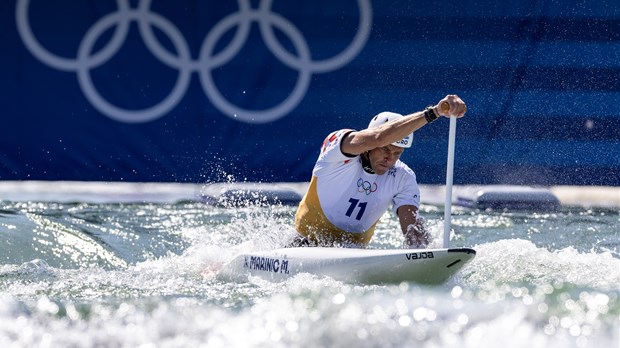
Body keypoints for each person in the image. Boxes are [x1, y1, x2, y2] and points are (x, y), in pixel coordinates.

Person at [292, 94, 467, 248]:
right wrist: (434, 112)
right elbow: (379, 137)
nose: (390, 158)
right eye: (385, 149)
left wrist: (425, 252)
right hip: (303, 243)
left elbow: (411, 228)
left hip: (353, 253)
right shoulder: (338, 149)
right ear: (369, 146)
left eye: (397, 153)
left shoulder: (403, 177)